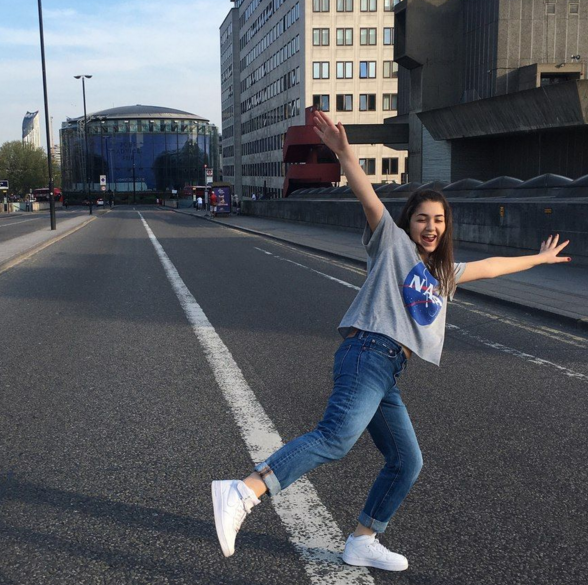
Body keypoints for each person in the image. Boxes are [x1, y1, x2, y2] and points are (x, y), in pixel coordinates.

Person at [211, 109, 571, 571]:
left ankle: (363, 540)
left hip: (388, 370)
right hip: (367, 351)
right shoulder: (393, 245)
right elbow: (368, 197)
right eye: (422, 218)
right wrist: (345, 155)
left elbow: (491, 266)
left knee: (406, 461)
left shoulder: (444, 274)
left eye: (438, 220)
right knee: (336, 438)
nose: (431, 227)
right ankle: (244, 490)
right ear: (409, 223)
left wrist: (537, 260)